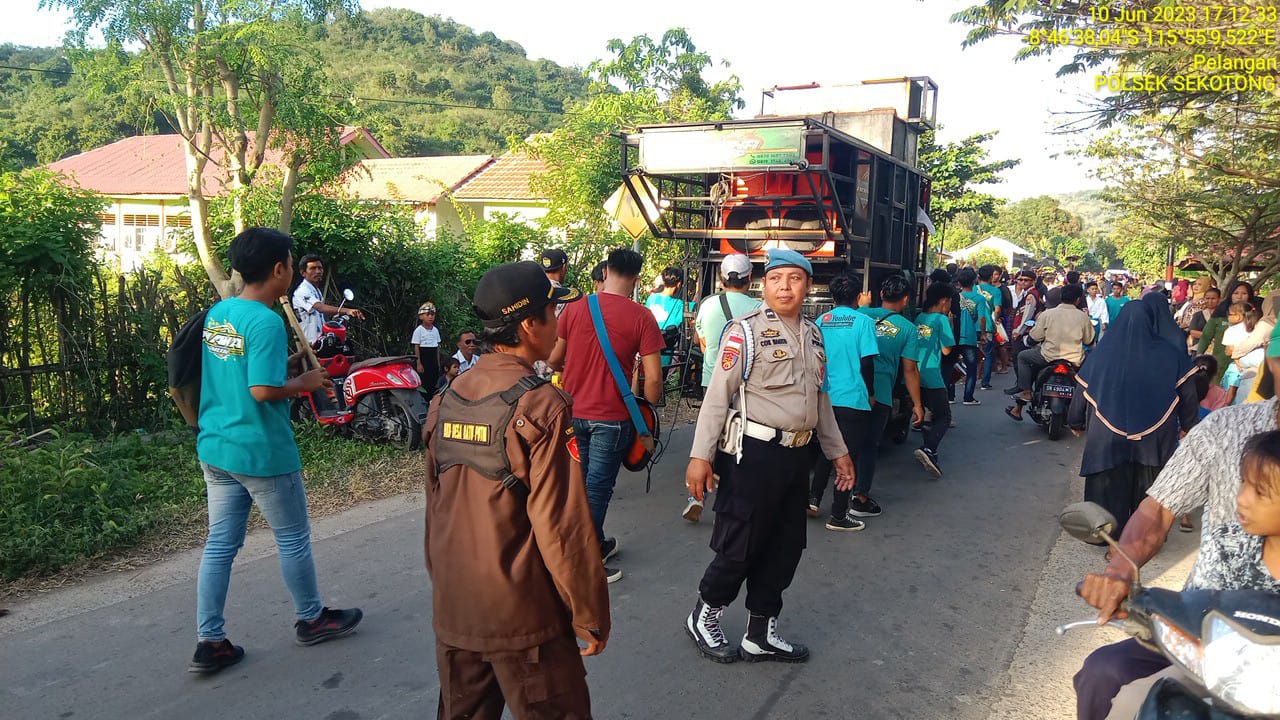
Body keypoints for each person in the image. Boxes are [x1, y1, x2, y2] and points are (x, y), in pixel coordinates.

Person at [423, 260, 609, 719]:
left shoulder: (444, 399)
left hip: (457, 609)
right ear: (530, 325)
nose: (558, 321)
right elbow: (562, 525)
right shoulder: (542, 403)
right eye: (553, 311)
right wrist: (588, 610)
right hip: (526, 621)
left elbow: (436, 506)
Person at [191, 228, 362, 675]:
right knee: (292, 538)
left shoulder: (221, 313)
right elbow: (263, 390)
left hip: (217, 447)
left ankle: (210, 642)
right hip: (261, 451)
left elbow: (242, 370)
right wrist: (303, 383)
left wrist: (287, 367)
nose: (292, 268)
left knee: (220, 545)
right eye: (290, 261)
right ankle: (312, 619)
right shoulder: (266, 320)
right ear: (279, 269)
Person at [684, 248, 855, 663]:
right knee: (740, 541)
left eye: (795, 279)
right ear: (764, 284)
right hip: (753, 455)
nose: (785, 287)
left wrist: (839, 452)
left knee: (785, 545)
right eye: (777, 279)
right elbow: (717, 397)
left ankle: (760, 632)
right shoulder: (744, 332)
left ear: (808, 285)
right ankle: (705, 615)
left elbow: (822, 399)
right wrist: (699, 456)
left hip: (798, 456)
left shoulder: (813, 334)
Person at [1072, 411, 1280, 720]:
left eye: (1259, 491)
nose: (1242, 499)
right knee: (1112, 679)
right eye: (1243, 484)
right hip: (1199, 644)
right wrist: (1118, 579)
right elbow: (1157, 509)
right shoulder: (1230, 541)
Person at [549, 248, 665, 584]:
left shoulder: (573, 308)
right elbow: (654, 380)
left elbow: (555, 358)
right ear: (637, 278)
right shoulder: (642, 316)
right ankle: (585, 562)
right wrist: (650, 403)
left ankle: (592, 542)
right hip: (612, 418)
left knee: (579, 486)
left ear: (606, 270)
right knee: (597, 489)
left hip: (572, 413)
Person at [1068, 293, 1199, 536]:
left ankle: (1110, 538)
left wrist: (1075, 421)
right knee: (1150, 487)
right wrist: (1189, 424)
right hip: (1155, 435)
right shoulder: (1171, 354)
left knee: (1109, 485)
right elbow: (1189, 393)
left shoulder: (1101, 355)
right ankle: (1142, 538)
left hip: (1106, 434)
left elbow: (1081, 392)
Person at [685, 253, 761, 523]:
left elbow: (699, 340)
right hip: (745, 384)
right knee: (741, 437)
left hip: (711, 379)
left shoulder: (708, 304)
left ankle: (697, 496)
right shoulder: (760, 307)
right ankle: (735, 493)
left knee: (710, 431)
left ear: (721, 278)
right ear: (750, 279)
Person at [807, 270, 878, 530]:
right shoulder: (863, 322)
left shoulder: (821, 321)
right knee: (847, 455)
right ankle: (838, 514)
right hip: (852, 398)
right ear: (858, 296)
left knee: (828, 450)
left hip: (825, 397)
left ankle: (813, 498)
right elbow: (867, 362)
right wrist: (870, 393)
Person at [854, 274, 926, 517]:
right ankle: (860, 496)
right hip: (881, 392)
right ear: (905, 299)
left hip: (850, 389)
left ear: (881, 295)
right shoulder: (908, 329)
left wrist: (864, 305)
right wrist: (917, 404)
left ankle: (825, 493)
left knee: (842, 441)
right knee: (869, 445)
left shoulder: (860, 315)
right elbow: (910, 370)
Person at [1008, 283, 1094, 421]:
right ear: (1078, 299)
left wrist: (1027, 341)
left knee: (1023, 356)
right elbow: (1090, 341)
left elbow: (1034, 337)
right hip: (1075, 360)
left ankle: (1026, 391)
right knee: (1088, 377)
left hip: (1047, 357)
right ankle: (1086, 406)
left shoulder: (1048, 314)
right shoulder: (1083, 317)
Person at [913, 282, 956, 478]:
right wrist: (951, 324)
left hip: (914, 373)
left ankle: (931, 451)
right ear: (944, 301)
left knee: (928, 413)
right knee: (944, 416)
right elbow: (947, 350)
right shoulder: (941, 319)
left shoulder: (920, 317)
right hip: (932, 375)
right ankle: (929, 448)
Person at [291, 253, 365, 344]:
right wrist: (347, 310)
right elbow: (320, 308)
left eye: (320, 268)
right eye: (313, 268)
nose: (318, 271)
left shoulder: (315, 290)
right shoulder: (302, 291)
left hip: (320, 341)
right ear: (303, 273)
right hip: (310, 345)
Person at [1198, 280, 1258, 383]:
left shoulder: (1256, 315)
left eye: (1244, 293)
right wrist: (1199, 355)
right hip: (1221, 364)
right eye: (1236, 293)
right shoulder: (1220, 312)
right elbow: (1206, 336)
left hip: (1248, 366)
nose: (1239, 297)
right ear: (1230, 295)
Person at [956, 268, 988, 406]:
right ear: (974, 281)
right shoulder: (979, 298)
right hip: (970, 336)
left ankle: (950, 396)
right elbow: (982, 318)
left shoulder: (955, 297)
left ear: (959, 282)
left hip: (955, 336)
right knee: (971, 368)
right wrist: (983, 333)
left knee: (952, 365)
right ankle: (968, 397)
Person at [1222, 302, 1264, 405]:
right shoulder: (1258, 327)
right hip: (1259, 368)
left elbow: (1229, 351)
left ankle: (1225, 406)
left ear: (1239, 316)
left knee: (1230, 393)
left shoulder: (1231, 331)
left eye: (1230, 314)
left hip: (1239, 367)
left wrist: (1237, 361)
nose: (1228, 316)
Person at [976, 265, 1003, 390]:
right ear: (992, 276)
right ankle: (985, 383)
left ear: (978, 277)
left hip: (972, 326)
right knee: (987, 354)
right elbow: (997, 310)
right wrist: (996, 320)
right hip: (987, 326)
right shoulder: (996, 291)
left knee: (971, 353)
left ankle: (970, 378)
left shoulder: (973, 289)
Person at [412, 302, 442, 394]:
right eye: (427, 314)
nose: (430, 317)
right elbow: (416, 347)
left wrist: (438, 362)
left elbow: (437, 347)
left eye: (432, 315)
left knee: (434, 379)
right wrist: (419, 363)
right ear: (421, 316)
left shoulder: (435, 330)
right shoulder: (419, 330)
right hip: (423, 357)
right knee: (424, 380)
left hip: (433, 357)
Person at [1186, 286, 1221, 350]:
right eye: (1207, 298)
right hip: (1198, 348)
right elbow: (1192, 332)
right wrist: (1211, 337)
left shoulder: (1224, 315)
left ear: (1219, 299)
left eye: (1213, 299)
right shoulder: (1198, 315)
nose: (1210, 301)